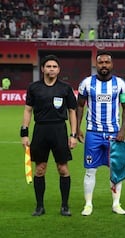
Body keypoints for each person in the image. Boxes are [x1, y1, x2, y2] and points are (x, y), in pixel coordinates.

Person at [20, 55, 77, 216]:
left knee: (63, 169)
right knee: (40, 169)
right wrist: (24, 133)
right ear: (43, 69)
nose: (51, 69)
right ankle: (39, 206)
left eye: (54, 66)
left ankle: (65, 206)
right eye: (48, 66)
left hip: (59, 130)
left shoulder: (65, 88)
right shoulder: (34, 87)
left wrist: (73, 134)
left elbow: (72, 112)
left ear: (58, 70)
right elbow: (28, 110)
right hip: (40, 130)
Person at [77, 51, 125, 216]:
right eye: (101, 63)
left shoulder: (120, 84)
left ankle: (116, 204)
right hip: (93, 133)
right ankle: (88, 204)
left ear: (112, 64)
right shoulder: (86, 83)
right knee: (90, 170)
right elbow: (79, 106)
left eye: (107, 62)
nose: (104, 65)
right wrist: (77, 128)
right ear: (96, 64)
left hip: (114, 134)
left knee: (116, 170)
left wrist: (122, 130)